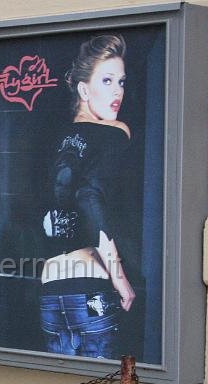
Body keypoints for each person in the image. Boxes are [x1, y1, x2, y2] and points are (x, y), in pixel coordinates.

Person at [39, 34, 136, 358]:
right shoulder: (114, 131)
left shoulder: (51, 140)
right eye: (106, 81)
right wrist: (120, 279)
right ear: (83, 90)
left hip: (51, 290)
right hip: (90, 289)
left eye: (120, 82)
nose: (117, 92)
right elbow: (88, 195)